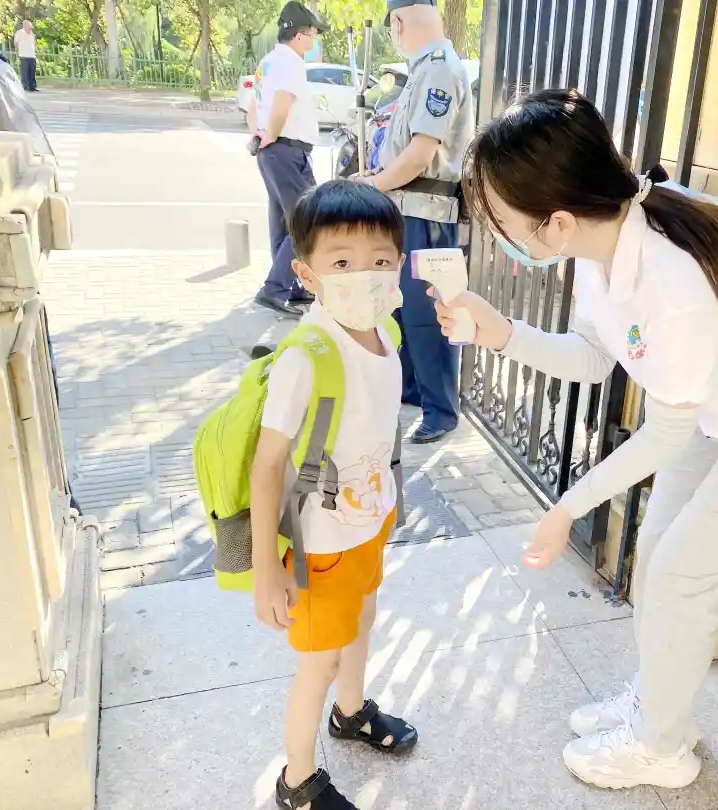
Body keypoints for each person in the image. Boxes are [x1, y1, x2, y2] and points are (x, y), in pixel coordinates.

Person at [435, 89, 718, 792]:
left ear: (556, 221)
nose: (501, 235)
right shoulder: (600, 242)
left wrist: (566, 508)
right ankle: (657, 708)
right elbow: (591, 354)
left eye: (506, 222)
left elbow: (664, 428)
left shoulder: (671, 279)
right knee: (660, 566)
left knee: (679, 581)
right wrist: (501, 333)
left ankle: (662, 748)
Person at [251, 180, 418, 810]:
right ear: (306, 272)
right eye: (341, 263)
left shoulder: (387, 333)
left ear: (399, 262)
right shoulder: (309, 353)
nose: (364, 275)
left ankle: (350, 713)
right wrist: (270, 571)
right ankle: (296, 781)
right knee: (317, 661)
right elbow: (267, 467)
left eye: (380, 260)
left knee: (364, 619)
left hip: (368, 521)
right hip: (322, 543)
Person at [357, 0, 474, 444]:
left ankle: (442, 411)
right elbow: (402, 150)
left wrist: (376, 184)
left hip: (427, 215)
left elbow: (421, 156)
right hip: (407, 208)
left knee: (429, 315)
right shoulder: (425, 69)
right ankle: (413, 390)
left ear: (398, 22)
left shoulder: (440, 69)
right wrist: (375, 177)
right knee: (405, 309)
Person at [247, 1, 326, 318]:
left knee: (284, 221)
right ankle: (275, 289)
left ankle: (290, 287)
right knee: (309, 220)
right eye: (313, 35)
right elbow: (280, 104)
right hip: (286, 149)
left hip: (273, 150)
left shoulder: (267, 62)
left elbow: (253, 105)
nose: (314, 41)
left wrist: (259, 137)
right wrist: (271, 136)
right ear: (299, 35)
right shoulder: (291, 63)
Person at [14, 20, 37, 92]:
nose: (30, 28)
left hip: (32, 55)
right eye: (29, 26)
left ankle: (32, 86)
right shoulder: (20, 33)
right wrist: (17, 51)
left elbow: (33, 43)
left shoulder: (32, 34)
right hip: (23, 54)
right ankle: (25, 86)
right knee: (25, 71)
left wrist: (36, 50)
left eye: (30, 27)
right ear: (25, 26)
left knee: (32, 71)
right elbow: (16, 42)